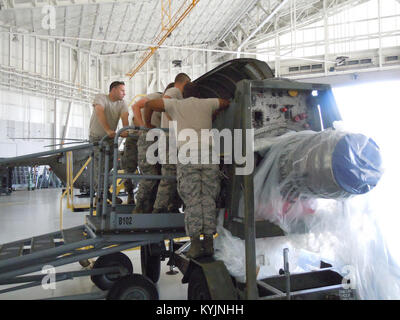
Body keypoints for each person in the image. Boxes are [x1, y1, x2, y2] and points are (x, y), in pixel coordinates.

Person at [144, 82, 230, 259]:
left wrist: (148, 124)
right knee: (208, 198)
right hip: (208, 155)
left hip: (188, 155)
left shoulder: (177, 104)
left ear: (183, 94)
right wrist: (212, 113)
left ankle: (196, 245)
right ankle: (209, 242)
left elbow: (149, 104)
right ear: (199, 94)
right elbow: (225, 102)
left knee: (193, 200)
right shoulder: (207, 103)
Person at [151, 73, 191, 213]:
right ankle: (158, 209)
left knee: (174, 175)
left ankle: (171, 207)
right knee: (169, 174)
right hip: (169, 139)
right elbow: (165, 101)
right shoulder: (174, 91)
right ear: (185, 82)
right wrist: (176, 120)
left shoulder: (177, 94)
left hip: (172, 139)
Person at [132, 84, 174, 213]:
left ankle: (150, 206)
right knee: (150, 175)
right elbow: (136, 106)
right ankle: (139, 206)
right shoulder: (157, 96)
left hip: (159, 139)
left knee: (161, 175)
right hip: (149, 139)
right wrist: (144, 126)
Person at [89, 81, 129, 204]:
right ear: (114, 89)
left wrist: (125, 130)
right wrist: (108, 129)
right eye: (122, 90)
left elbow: (125, 118)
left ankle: (104, 192)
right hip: (97, 138)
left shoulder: (122, 104)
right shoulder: (101, 98)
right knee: (100, 165)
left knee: (109, 166)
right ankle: (100, 195)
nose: (124, 93)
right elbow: (99, 112)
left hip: (111, 138)